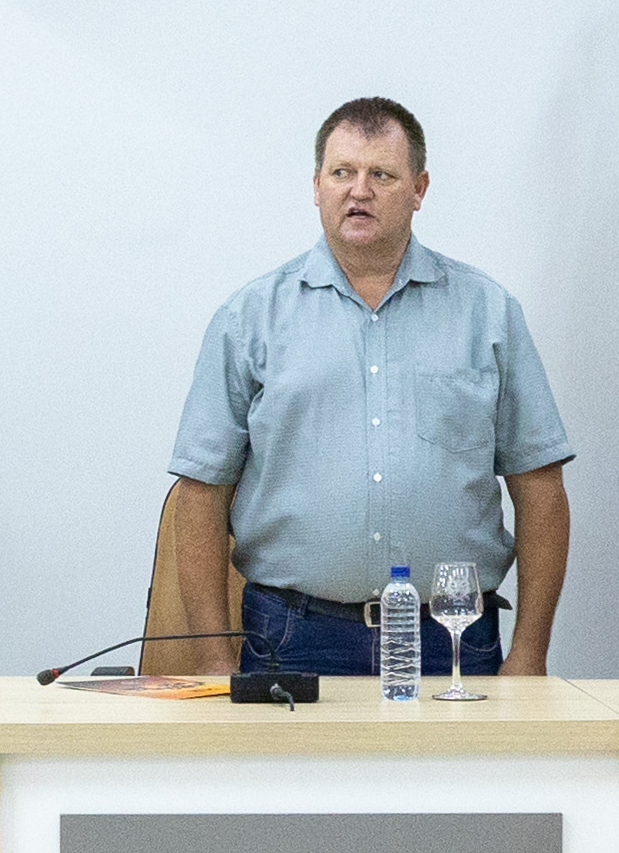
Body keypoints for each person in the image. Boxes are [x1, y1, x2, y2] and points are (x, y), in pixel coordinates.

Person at [168, 97, 574, 678]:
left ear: (419, 189)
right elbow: (200, 494)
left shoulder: (487, 314)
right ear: (316, 186)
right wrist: (212, 656)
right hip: (292, 636)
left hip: (451, 635)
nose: (359, 191)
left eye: (382, 174)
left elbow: (540, 489)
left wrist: (531, 652)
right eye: (342, 172)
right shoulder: (250, 318)